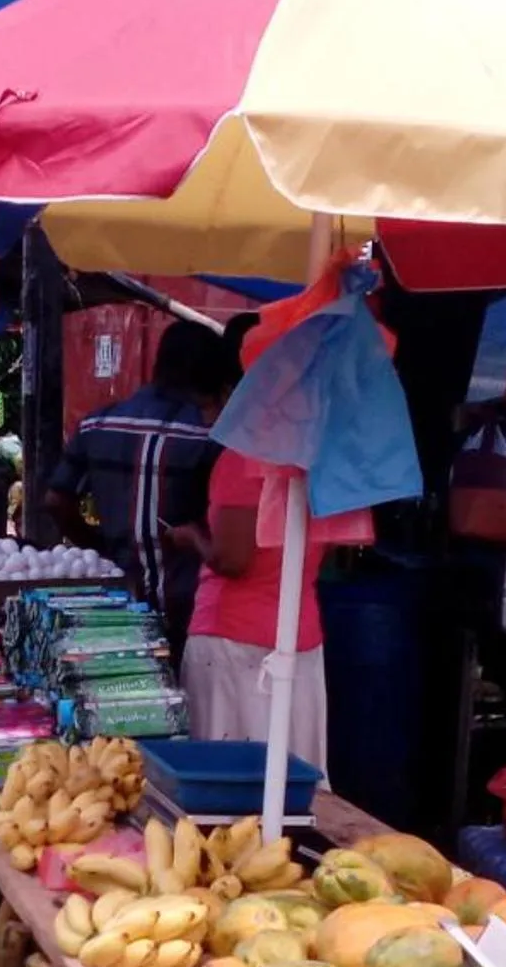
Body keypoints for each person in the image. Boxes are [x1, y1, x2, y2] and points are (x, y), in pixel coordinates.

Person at [41, 320, 237, 661]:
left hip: (118, 602)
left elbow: (56, 500)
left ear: (158, 364)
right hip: (192, 608)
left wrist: (99, 543)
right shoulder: (214, 439)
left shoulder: (96, 424)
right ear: (211, 373)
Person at [178, 446, 331, 769]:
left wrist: (192, 538)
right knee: (291, 780)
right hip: (297, 636)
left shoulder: (244, 458)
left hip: (234, 640)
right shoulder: (320, 459)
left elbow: (232, 560)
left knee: (224, 777)